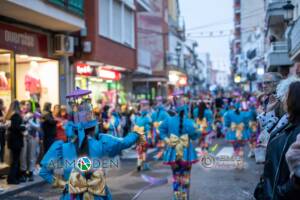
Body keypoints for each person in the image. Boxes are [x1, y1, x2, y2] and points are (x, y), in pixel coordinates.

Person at [39, 88, 145, 199]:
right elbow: (124, 143)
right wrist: (137, 133)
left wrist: (63, 184)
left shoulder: (61, 148)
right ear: (93, 128)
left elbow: (44, 172)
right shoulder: (102, 143)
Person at [254, 78, 300, 200]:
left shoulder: (294, 126)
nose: (283, 101)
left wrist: (281, 191)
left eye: (286, 96)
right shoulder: (288, 121)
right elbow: (266, 137)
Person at [159, 90, 201, 200]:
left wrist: (167, 140)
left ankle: (177, 197)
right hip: (187, 154)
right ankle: (184, 197)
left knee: (176, 177)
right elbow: (196, 134)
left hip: (173, 153)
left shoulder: (168, 120)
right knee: (185, 178)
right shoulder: (189, 122)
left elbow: (161, 130)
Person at [6, 100, 26, 184]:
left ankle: (14, 177)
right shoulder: (16, 115)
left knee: (14, 160)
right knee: (15, 160)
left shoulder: (9, 115)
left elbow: (11, 127)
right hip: (16, 140)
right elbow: (17, 127)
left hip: (12, 139)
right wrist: (23, 127)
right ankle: (12, 178)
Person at [135, 100, 152, 171]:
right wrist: (150, 137)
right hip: (144, 137)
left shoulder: (137, 118)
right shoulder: (147, 118)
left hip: (138, 136)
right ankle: (144, 165)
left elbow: (135, 127)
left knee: (139, 151)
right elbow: (148, 127)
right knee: (144, 151)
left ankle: (139, 164)